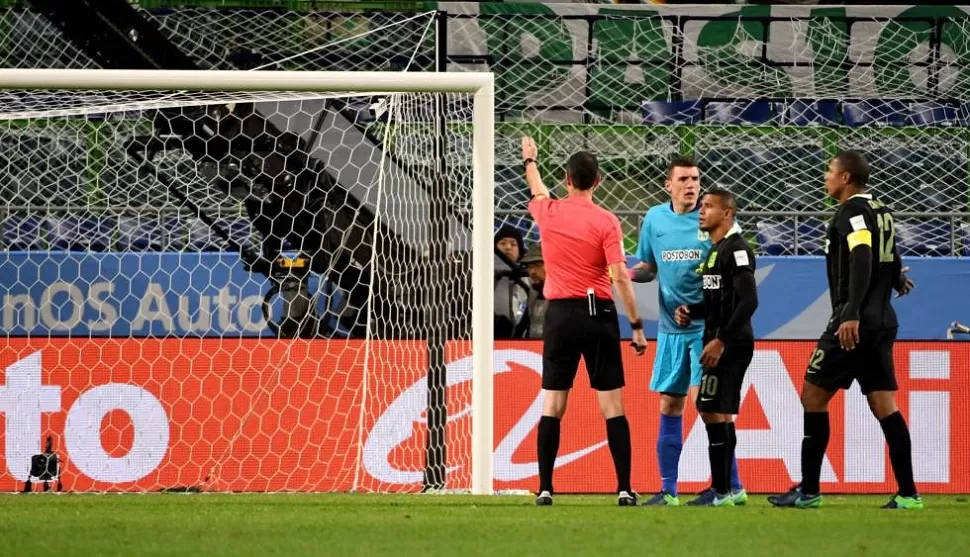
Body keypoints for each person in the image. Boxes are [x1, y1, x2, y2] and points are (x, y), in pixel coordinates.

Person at [768, 150, 920, 510]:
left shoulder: (850, 210)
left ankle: (808, 491)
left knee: (812, 396)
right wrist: (895, 276)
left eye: (829, 171)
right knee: (885, 405)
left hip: (854, 324)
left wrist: (850, 313)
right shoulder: (880, 209)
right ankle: (909, 494)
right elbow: (889, 250)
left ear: (846, 178)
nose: (825, 177)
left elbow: (864, 254)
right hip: (883, 321)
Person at [521, 135, 647, 507]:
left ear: (567, 179)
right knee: (612, 406)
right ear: (598, 181)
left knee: (553, 404)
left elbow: (538, 190)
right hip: (597, 315)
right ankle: (624, 488)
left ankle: (545, 488)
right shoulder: (607, 221)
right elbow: (620, 276)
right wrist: (637, 325)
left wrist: (530, 160)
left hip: (559, 317)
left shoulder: (549, 212)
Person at [630, 155, 746, 506]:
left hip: (705, 330)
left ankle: (731, 485)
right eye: (683, 179)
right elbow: (648, 267)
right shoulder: (654, 219)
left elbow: (729, 273)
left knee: (708, 406)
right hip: (669, 329)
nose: (691, 184)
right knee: (669, 404)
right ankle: (668, 490)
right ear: (669, 185)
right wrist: (624, 275)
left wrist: (711, 318)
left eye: (695, 178)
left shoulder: (711, 221)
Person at [673, 188, 758, 507]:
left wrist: (721, 340)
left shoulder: (736, 250)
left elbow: (749, 300)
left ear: (727, 213)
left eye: (708, 206)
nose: (701, 211)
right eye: (701, 206)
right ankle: (729, 489)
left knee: (710, 409)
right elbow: (720, 302)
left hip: (729, 344)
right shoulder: (716, 251)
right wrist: (691, 310)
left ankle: (722, 490)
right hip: (720, 339)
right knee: (717, 412)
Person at [494, 225, 528, 339]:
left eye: (513, 244)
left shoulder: (529, 275)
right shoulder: (484, 273)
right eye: (502, 243)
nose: (508, 247)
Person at [518, 242, 548, 340]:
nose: (532, 272)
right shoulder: (533, 293)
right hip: (533, 351)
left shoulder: (565, 297)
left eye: (538, 265)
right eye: (530, 266)